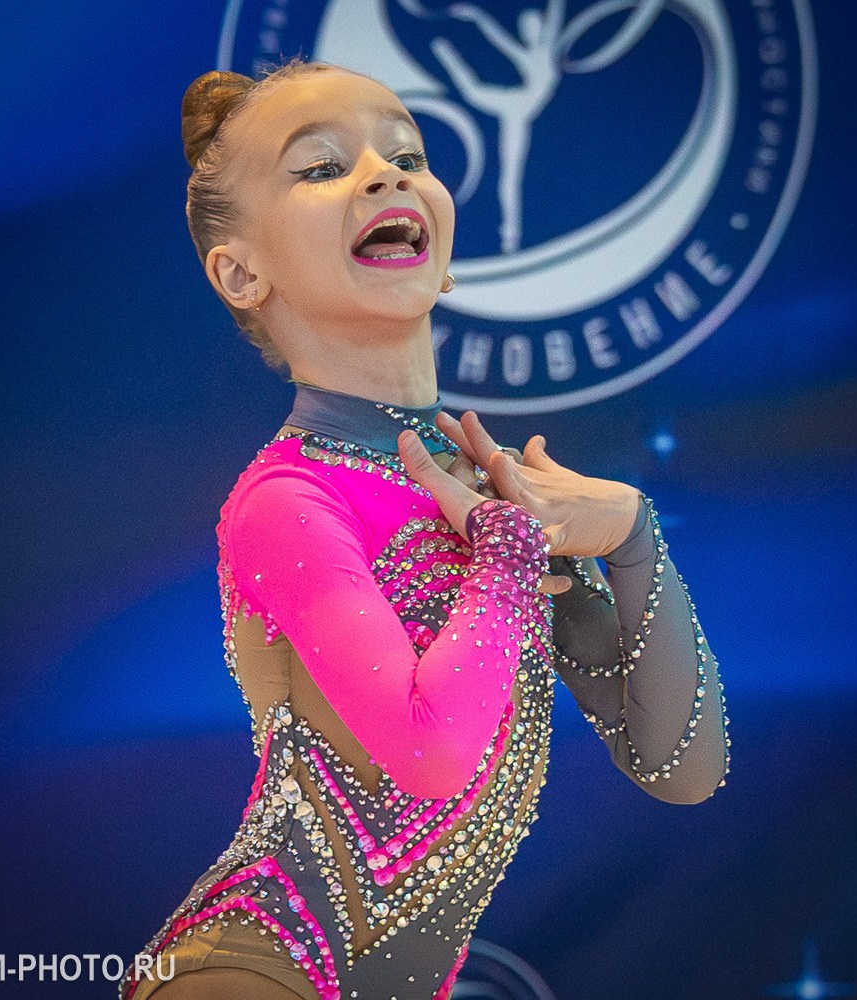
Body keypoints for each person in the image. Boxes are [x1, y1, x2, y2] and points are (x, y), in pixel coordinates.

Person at [122, 59, 729, 1000]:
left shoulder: (481, 490)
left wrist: (634, 535)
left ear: (442, 248)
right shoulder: (288, 500)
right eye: (321, 168)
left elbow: (678, 765)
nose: (384, 174)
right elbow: (433, 750)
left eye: (407, 153)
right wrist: (510, 552)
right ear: (242, 272)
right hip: (253, 970)